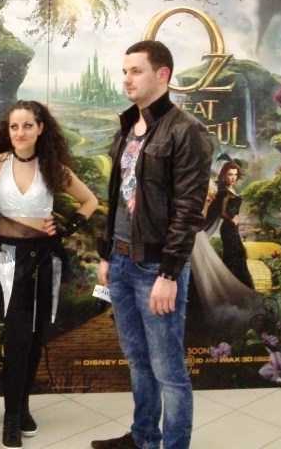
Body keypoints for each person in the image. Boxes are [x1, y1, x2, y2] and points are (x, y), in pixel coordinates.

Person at [93, 40, 212, 449]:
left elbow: (189, 210)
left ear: (162, 75)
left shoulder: (186, 130)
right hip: (121, 262)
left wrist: (169, 273)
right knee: (138, 360)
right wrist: (107, 254)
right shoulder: (129, 125)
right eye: (124, 71)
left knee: (169, 370)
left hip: (155, 268)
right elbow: (117, 196)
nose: (126, 79)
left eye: (136, 71)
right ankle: (143, 437)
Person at [0, 99, 98, 449]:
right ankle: (10, 418)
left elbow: (90, 201)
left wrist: (67, 226)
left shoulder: (53, 167)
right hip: (7, 258)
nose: (20, 133)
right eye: (14, 126)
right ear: (8, 131)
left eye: (27, 126)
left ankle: (22, 406)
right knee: (16, 337)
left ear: (40, 129)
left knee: (35, 337)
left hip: (44, 258)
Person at [203, 161, 254, 289]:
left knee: (235, 255)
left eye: (235, 175)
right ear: (224, 175)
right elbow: (222, 213)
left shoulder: (231, 190)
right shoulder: (225, 192)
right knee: (236, 254)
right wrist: (233, 221)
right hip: (228, 229)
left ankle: (233, 285)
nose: (233, 178)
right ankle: (237, 286)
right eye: (230, 174)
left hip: (232, 229)